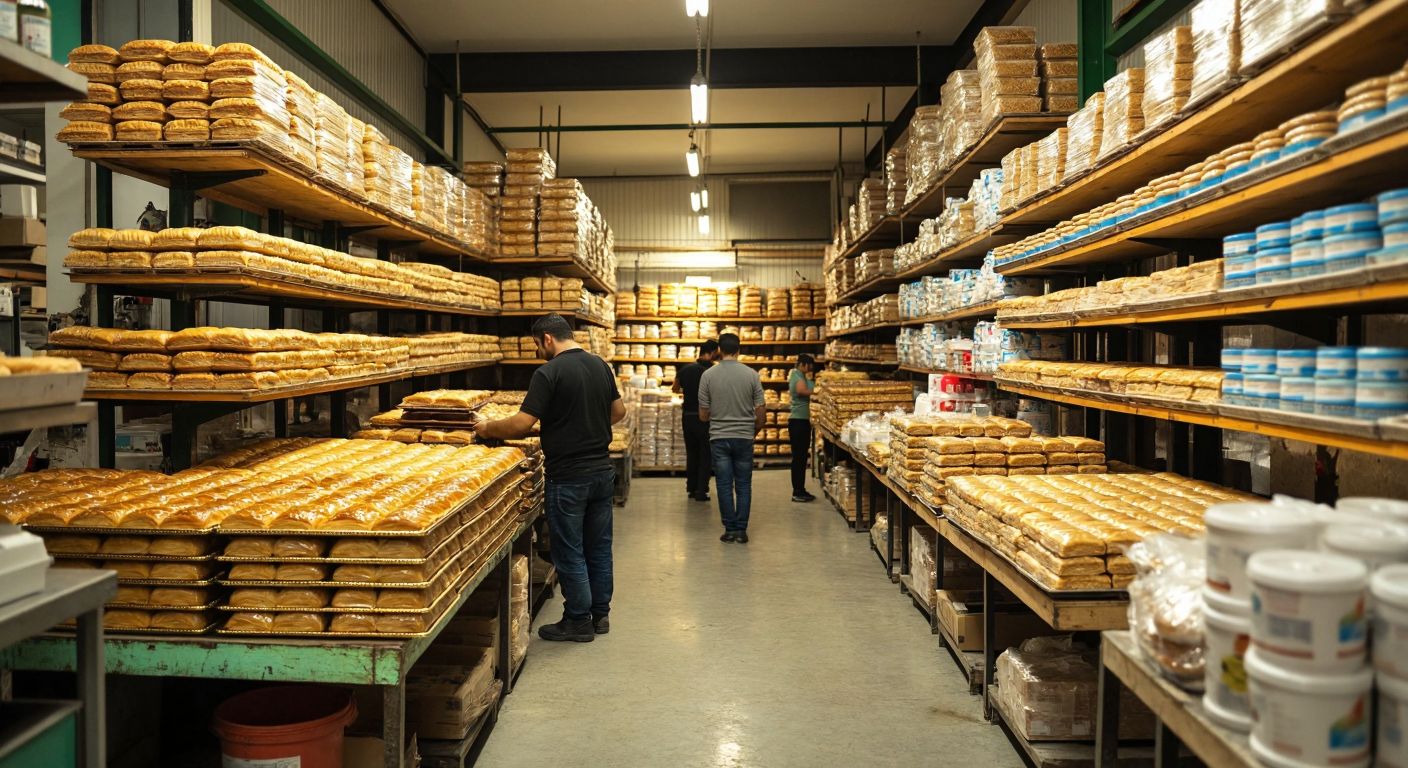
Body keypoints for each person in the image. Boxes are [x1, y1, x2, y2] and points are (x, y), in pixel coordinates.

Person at [475, 313, 626, 643]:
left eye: (536, 345)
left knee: (569, 550)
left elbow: (521, 424)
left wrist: (487, 428)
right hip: (602, 471)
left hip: (569, 476)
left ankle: (577, 621)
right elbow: (618, 413)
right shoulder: (600, 365)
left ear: (546, 339)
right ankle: (600, 616)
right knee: (598, 548)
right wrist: (585, 425)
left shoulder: (549, 372)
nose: (537, 351)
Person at [697, 332, 765, 543]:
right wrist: (751, 432)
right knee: (744, 484)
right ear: (738, 350)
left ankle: (729, 529)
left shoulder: (708, 375)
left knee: (724, 485)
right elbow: (761, 413)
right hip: (744, 437)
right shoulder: (752, 374)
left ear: (719, 351)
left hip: (719, 437)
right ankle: (742, 531)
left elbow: (702, 415)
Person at [673, 339, 720, 502]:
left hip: (687, 416)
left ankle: (691, 488)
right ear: (713, 352)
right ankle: (701, 490)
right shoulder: (713, 371)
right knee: (705, 454)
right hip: (704, 417)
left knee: (692, 453)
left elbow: (675, 388)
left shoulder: (685, 369)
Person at [788, 354, 818, 502]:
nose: (810, 369)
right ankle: (797, 491)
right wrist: (818, 392)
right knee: (799, 457)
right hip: (798, 421)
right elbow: (801, 391)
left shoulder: (800, 375)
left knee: (800, 457)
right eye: (809, 366)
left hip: (801, 421)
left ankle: (800, 489)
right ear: (804, 365)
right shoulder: (797, 375)